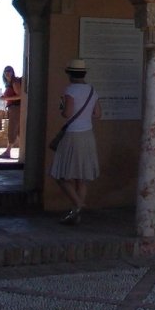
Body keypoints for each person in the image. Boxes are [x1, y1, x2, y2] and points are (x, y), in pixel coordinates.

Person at [50, 57, 101, 226]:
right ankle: (76, 214)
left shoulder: (70, 90)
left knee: (62, 175)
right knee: (81, 177)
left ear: (70, 74)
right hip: (88, 134)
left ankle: (79, 205)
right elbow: (97, 114)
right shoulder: (92, 90)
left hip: (73, 135)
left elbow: (67, 113)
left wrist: (62, 108)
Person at [0, 65, 22, 159]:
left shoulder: (14, 82)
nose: (7, 73)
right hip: (13, 108)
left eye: (9, 71)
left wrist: (6, 98)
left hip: (16, 108)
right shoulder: (9, 83)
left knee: (13, 129)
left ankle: (8, 151)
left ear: (12, 72)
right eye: (6, 71)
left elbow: (20, 96)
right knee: (19, 131)